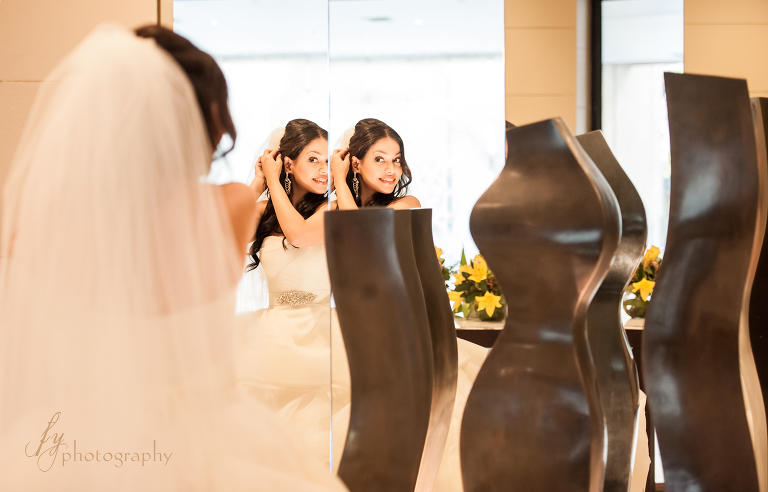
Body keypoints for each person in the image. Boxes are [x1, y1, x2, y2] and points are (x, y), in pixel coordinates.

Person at [0, 24, 346, 491]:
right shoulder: (231, 206)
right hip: (193, 433)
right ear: (201, 117)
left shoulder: (42, 225)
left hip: (69, 431)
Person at [235, 119, 351, 471]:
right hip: (271, 334)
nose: (323, 169)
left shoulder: (330, 210)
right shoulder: (262, 213)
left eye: (326, 160)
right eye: (312, 159)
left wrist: (272, 181)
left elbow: (298, 235)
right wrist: (258, 180)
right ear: (288, 163)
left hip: (319, 331)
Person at [331, 118, 421, 210]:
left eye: (396, 160)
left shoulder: (407, 204)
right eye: (379, 159)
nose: (392, 169)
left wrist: (339, 180)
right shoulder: (332, 208)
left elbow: (355, 224)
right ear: (356, 165)